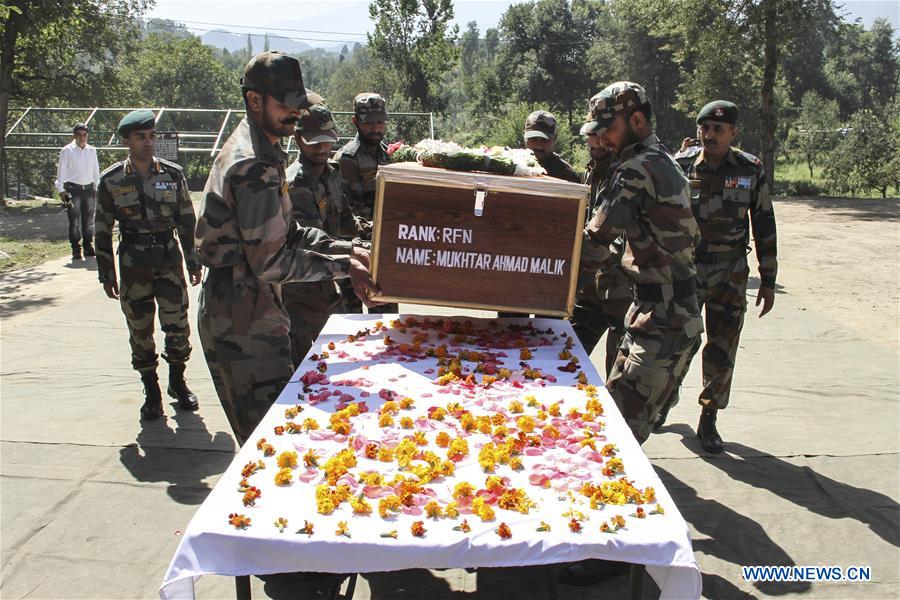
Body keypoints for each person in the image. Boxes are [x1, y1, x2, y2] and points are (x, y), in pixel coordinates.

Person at [195, 51, 379, 445]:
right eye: (285, 105)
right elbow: (272, 262)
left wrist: (349, 251)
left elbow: (290, 233)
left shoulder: (265, 151)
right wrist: (344, 268)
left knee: (284, 437)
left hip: (255, 309)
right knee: (271, 446)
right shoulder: (253, 165)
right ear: (254, 100)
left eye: (298, 103)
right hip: (243, 322)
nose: (295, 114)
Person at [561, 82, 703, 585]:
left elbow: (593, 245)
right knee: (619, 430)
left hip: (664, 321)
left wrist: (528, 272)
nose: (601, 140)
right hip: (658, 312)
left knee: (619, 438)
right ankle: (611, 536)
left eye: (608, 129)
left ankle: (613, 552)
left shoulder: (637, 169)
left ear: (637, 121)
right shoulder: (655, 159)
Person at [653, 100, 778, 454]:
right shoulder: (679, 166)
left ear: (733, 133)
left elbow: (764, 222)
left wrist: (768, 279)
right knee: (677, 340)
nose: (709, 135)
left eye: (718, 130)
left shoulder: (750, 169)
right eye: (704, 128)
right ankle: (663, 399)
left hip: (730, 273)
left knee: (722, 346)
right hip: (685, 270)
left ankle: (708, 417)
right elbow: (660, 218)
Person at [94, 110, 201, 420]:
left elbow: (186, 220)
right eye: (140, 137)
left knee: (177, 325)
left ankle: (177, 382)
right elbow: (101, 229)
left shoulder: (172, 174)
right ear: (127, 140)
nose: (148, 142)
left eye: (152, 136)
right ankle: (151, 390)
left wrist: (193, 260)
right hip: (133, 263)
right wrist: (106, 272)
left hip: (168, 259)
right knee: (140, 330)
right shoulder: (112, 180)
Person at [284, 103, 372, 366]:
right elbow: (313, 242)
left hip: (329, 283)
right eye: (314, 143)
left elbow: (345, 220)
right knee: (304, 366)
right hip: (301, 287)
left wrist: (374, 233)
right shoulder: (296, 184)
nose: (322, 149)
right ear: (298, 138)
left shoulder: (331, 173)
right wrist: (354, 252)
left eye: (327, 142)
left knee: (341, 354)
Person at [568, 128, 631, 376]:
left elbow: (615, 235)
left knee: (618, 371)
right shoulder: (591, 170)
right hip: (589, 287)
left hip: (620, 288)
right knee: (568, 354)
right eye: (590, 137)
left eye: (601, 137)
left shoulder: (624, 173)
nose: (595, 143)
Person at [334, 92, 397, 315]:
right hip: (354, 248)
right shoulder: (346, 159)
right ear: (355, 122)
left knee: (386, 312)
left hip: (381, 247)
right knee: (351, 314)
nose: (375, 128)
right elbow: (339, 210)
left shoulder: (388, 155)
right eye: (368, 123)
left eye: (380, 122)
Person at [55, 123, 100, 260]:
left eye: (84, 135)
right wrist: (61, 190)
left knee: (89, 221)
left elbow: (96, 172)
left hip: (89, 190)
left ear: (87, 136)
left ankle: (88, 246)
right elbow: (60, 174)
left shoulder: (92, 150)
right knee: (74, 221)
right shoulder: (67, 150)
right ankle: (75, 248)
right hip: (72, 191)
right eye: (79, 135)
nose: (82, 138)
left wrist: (97, 188)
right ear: (74, 135)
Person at [523, 110, 580, 183]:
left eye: (544, 140)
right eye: (533, 139)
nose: (538, 146)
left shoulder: (566, 175)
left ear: (554, 139)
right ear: (525, 138)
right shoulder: (513, 166)